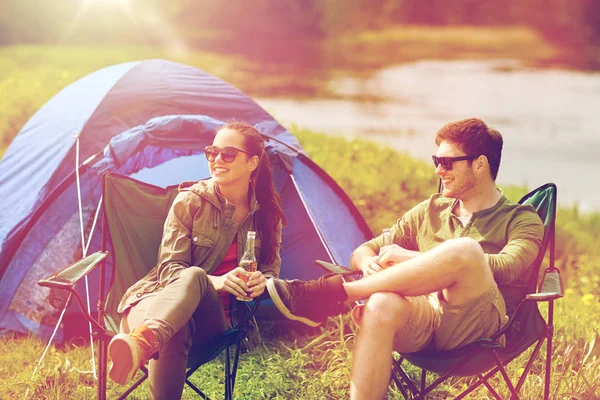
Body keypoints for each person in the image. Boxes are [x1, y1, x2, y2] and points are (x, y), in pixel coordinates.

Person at [266, 118, 544, 400]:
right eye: (437, 160)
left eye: (447, 163)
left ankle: (333, 294)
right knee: (381, 302)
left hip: (477, 330)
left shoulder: (521, 219)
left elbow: (510, 267)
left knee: (466, 250)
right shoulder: (430, 211)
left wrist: (414, 257)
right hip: (424, 321)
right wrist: (367, 264)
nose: (438, 169)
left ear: (480, 164)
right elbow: (362, 251)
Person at [108, 122, 285, 399]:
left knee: (194, 282)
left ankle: (144, 343)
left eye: (227, 153)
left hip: (212, 324)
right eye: (212, 152)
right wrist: (216, 281)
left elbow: (271, 272)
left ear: (252, 163)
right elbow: (169, 270)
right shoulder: (190, 202)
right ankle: (143, 340)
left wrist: (265, 281)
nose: (216, 160)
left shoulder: (267, 215)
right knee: (190, 285)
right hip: (152, 306)